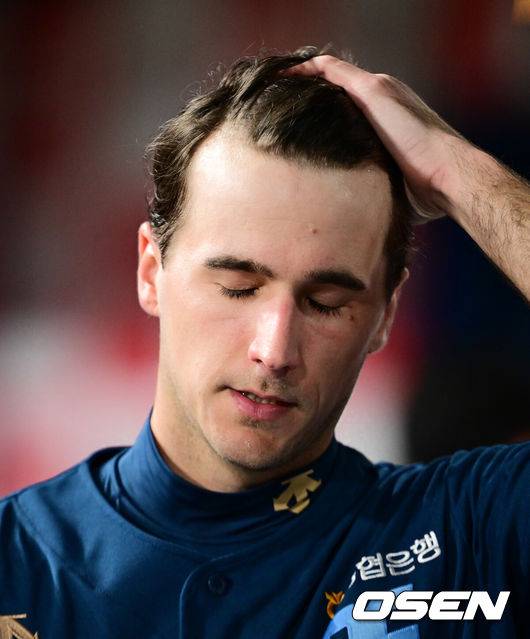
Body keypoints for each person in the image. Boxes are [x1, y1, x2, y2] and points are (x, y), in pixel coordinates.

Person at [0, 47, 528, 639]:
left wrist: (457, 171)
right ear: (151, 272)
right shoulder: (13, 561)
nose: (275, 351)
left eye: (326, 302)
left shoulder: (470, 535)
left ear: (385, 314)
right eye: (238, 287)